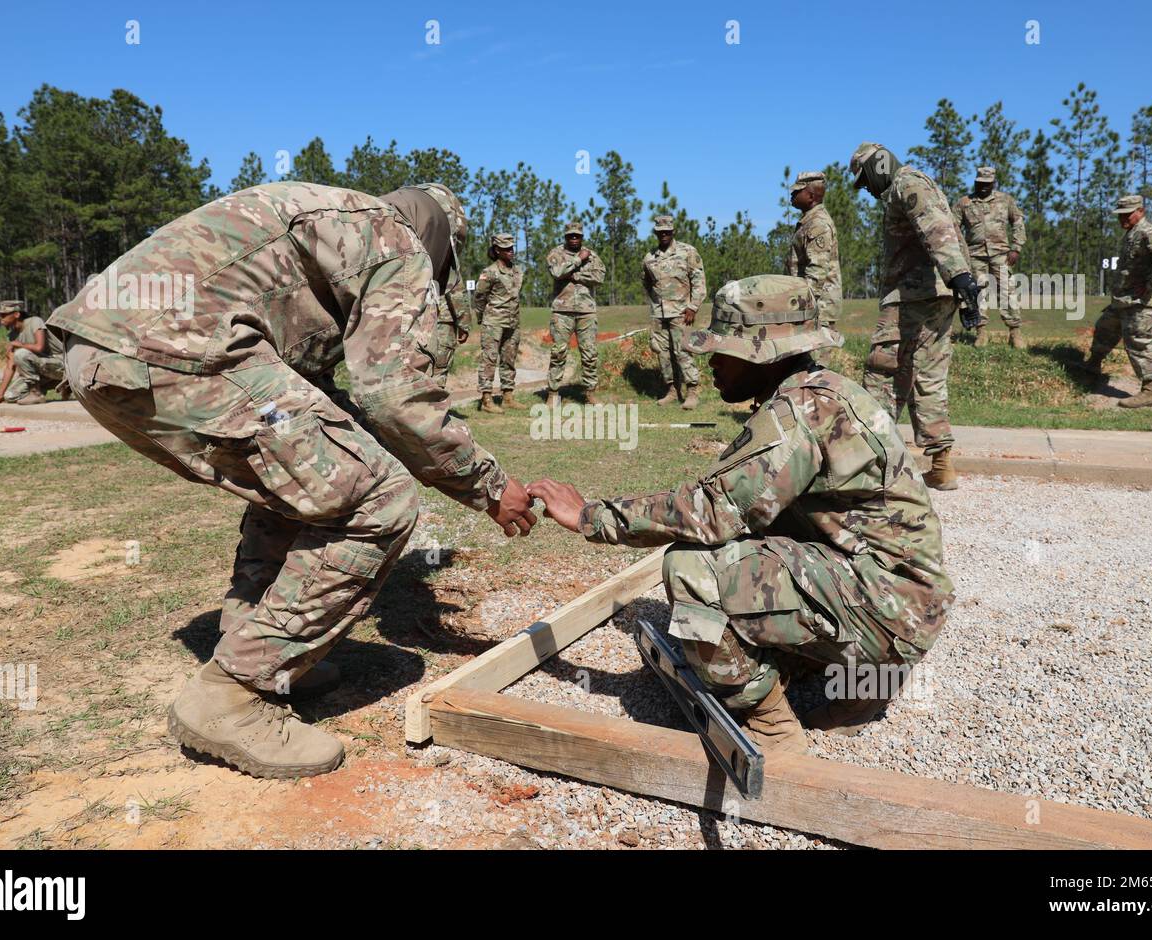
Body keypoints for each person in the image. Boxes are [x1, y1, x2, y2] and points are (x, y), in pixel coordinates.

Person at [47, 181, 537, 779]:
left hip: (101, 351)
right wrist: (488, 484)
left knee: (309, 480)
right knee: (378, 497)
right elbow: (396, 394)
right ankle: (233, 695)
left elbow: (324, 389)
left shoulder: (340, 223)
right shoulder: (397, 239)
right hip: (178, 350)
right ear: (444, 240)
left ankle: (258, 646)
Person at [529, 275, 955, 748]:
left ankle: (768, 720)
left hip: (890, 611)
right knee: (754, 538)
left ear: (763, 353)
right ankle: (851, 677)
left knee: (692, 569)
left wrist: (589, 515)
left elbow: (711, 510)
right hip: (898, 599)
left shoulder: (797, 415)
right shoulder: (821, 391)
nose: (712, 361)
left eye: (724, 348)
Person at [849, 141, 980, 491]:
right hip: (934, 294)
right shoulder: (914, 183)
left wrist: (959, 275)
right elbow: (946, 231)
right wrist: (960, 280)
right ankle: (942, 464)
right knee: (928, 378)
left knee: (883, 374)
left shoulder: (907, 183)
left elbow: (935, 227)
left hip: (912, 297)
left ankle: (870, 466)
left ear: (878, 165)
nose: (865, 188)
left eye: (864, 179)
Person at [1080, 194, 1152, 409]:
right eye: (1120, 215)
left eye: (1127, 214)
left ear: (1140, 211)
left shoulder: (1148, 232)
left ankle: (1149, 391)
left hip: (1141, 301)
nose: (1122, 219)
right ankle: (1092, 368)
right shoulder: (1132, 233)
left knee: (1139, 341)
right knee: (1105, 328)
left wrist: (1151, 283)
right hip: (1124, 299)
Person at [952, 166, 1027, 347]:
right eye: (981, 183)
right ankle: (981, 333)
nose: (984, 187)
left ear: (994, 183)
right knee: (978, 293)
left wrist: (1016, 247)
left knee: (1007, 291)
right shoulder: (964, 203)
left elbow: (1018, 222)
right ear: (976, 182)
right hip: (974, 255)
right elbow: (953, 228)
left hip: (1001, 254)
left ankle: (1015, 333)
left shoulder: (1005, 200)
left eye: (988, 184)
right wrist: (959, 252)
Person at [641, 215, 706, 409]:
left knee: (683, 351)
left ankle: (692, 392)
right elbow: (646, 283)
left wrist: (693, 306)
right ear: (656, 233)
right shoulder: (650, 257)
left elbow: (699, 281)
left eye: (667, 232)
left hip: (681, 312)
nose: (664, 235)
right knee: (662, 353)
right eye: (660, 232)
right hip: (658, 314)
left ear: (673, 232)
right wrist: (655, 303)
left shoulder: (687, 252)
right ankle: (671, 390)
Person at [785, 171, 843, 367]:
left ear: (810, 196)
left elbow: (817, 271)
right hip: (811, 306)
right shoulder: (808, 221)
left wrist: (803, 305)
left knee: (815, 368)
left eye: (796, 192)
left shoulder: (817, 223)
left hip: (818, 307)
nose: (791, 196)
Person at [546, 221, 606, 406]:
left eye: (577, 236)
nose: (574, 238)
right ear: (565, 237)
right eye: (570, 235)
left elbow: (600, 276)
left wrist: (577, 276)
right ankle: (553, 393)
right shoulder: (556, 254)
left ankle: (590, 393)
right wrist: (579, 260)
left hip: (586, 311)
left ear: (581, 237)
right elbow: (557, 272)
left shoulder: (592, 255)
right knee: (559, 352)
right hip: (562, 311)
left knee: (589, 353)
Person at [473, 232, 525, 413]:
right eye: (506, 249)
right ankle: (486, 399)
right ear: (497, 250)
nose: (511, 251)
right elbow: (479, 297)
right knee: (489, 359)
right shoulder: (490, 272)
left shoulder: (518, 271)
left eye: (512, 248)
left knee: (509, 359)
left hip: (513, 322)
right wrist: (481, 318)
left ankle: (508, 396)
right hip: (493, 321)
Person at [0, 300, 66, 405]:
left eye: (4, 315)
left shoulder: (35, 322)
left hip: (61, 365)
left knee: (21, 354)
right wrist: (0, 393)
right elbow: (10, 366)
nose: (1, 318)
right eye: (0, 315)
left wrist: (19, 345)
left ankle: (36, 393)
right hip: (41, 371)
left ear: (16, 314)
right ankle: (56, 384)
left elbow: (39, 347)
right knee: (10, 396)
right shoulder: (12, 335)